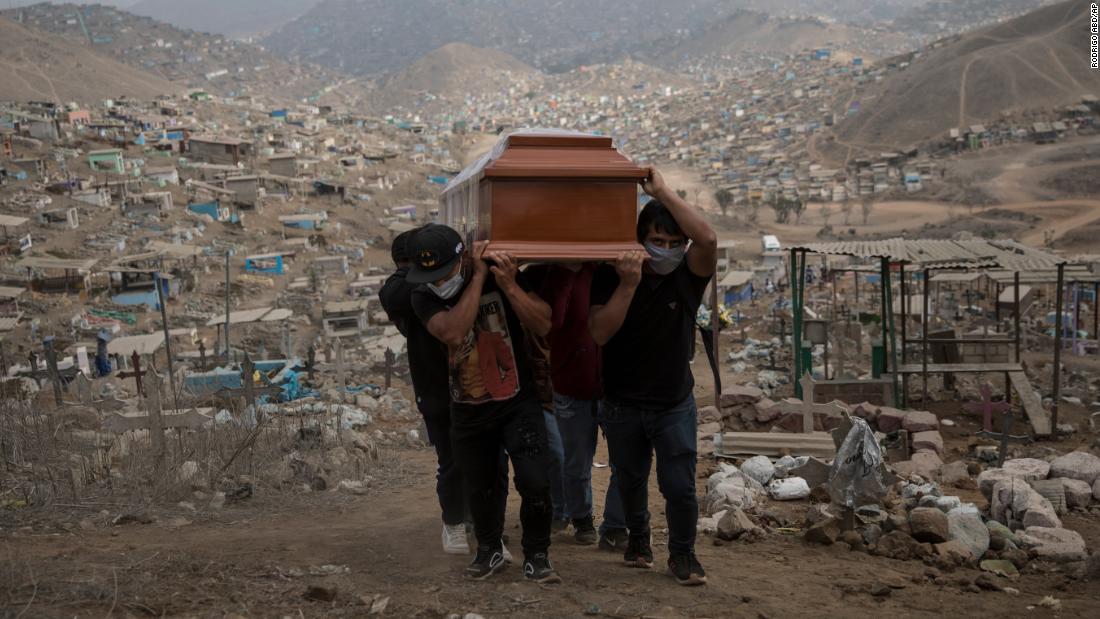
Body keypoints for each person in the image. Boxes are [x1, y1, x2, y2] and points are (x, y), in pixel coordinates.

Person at [409, 224, 561, 584]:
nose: (437, 281)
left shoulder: (500, 276)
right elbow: (452, 331)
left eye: (443, 273)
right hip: (467, 406)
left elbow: (543, 322)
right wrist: (477, 278)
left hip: (516, 401)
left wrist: (507, 284)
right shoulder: (422, 296)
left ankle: (537, 556)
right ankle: (489, 549)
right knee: (481, 486)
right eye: (429, 275)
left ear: (461, 258)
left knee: (535, 481)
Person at [589, 167, 717, 586]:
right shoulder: (610, 274)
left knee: (679, 486)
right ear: (639, 242)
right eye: (656, 242)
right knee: (629, 480)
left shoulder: (688, 277)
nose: (666, 250)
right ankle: (638, 540)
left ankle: (683, 556)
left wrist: (662, 190)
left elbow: (709, 239)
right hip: (622, 401)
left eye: (674, 243)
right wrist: (628, 284)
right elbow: (600, 332)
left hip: (673, 402)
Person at [378, 228, 468, 555]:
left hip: (467, 384)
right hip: (435, 388)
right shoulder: (402, 290)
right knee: (451, 460)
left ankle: (477, 522)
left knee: (480, 459)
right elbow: (395, 294)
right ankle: (455, 524)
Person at [538, 263, 628, 549]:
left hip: (615, 387)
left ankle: (615, 525)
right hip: (572, 387)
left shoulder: (619, 276)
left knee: (625, 463)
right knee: (575, 465)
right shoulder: (558, 277)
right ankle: (582, 519)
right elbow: (554, 325)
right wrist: (567, 272)